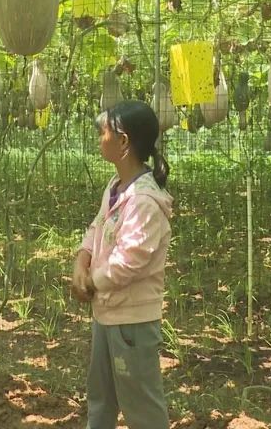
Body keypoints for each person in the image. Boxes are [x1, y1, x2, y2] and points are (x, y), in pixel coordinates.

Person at [71, 100, 173, 429]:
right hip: (108, 312)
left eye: (103, 132)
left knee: (141, 406)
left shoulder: (144, 201)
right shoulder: (115, 188)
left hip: (131, 321)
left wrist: (92, 282)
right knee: (100, 398)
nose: (99, 137)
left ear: (124, 142)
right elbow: (97, 226)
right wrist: (81, 260)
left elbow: (130, 261)